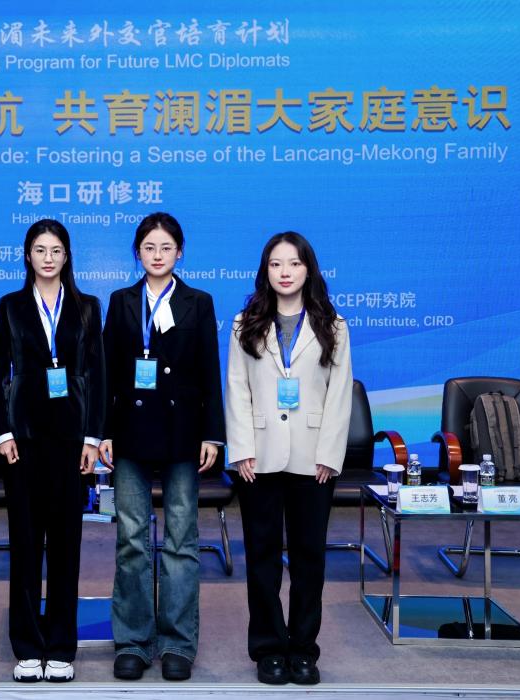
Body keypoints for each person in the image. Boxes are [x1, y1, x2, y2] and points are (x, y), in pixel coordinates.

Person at [99, 212, 225, 681]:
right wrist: (103, 431)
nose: (157, 255)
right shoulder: (122, 301)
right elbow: (108, 370)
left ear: (180, 252)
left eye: (166, 247)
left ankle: (177, 643)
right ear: (138, 253)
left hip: (183, 434)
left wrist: (213, 433)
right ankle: (132, 641)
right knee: (132, 538)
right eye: (149, 248)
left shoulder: (198, 301)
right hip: (130, 433)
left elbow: (210, 370)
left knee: (180, 539)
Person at [225, 231, 352, 686]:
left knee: (308, 559)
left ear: (308, 269)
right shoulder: (244, 323)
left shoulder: (333, 325)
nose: (285, 272)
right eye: (276, 264)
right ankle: (268, 648)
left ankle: (302, 649)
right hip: (257, 459)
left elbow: (340, 394)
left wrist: (329, 454)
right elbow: (236, 389)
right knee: (261, 558)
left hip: (313, 459)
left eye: (294, 263)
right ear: (266, 271)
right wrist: (241, 449)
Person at [0, 219, 105, 683]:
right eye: (40, 250)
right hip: (23, 441)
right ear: (28, 256)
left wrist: (93, 439)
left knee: (65, 548)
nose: (49, 258)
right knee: (24, 546)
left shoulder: (88, 307)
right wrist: (2, 433)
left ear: (67, 256)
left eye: (56, 250)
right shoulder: (11, 306)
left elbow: (97, 375)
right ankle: (26, 645)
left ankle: (60, 646)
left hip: (72, 443)